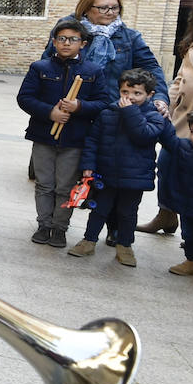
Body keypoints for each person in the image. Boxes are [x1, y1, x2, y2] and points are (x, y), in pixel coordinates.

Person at [41, 0, 169, 244]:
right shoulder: (70, 32)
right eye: (103, 8)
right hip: (75, 111)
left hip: (113, 114)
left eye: (114, 8)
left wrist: (159, 98)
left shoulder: (129, 37)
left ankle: (114, 228)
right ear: (87, 8)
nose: (110, 13)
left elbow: (152, 68)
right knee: (74, 173)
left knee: (112, 172)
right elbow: (48, 62)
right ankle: (53, 224)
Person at [17, 19, 109, 249]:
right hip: (43, 135)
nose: (66, 43)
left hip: (75, 139)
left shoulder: (93, 71)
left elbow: (103, 102)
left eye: (73, 39)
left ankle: (60, 228)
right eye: (62, 39)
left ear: (83, 44)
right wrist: (50, 113)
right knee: (44, 184)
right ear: (54, 41)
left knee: (65, 187)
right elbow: (25, 98)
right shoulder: (40, 68)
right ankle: (43, 224)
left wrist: (79, 107)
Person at [71, 69, 168, 266]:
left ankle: (125, 246)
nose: (130, 97)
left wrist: (129, 112)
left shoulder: (155, 116)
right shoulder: (107, 113)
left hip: (135, 178)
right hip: (105, 174)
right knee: (98, 209)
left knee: (127, 213)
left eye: (137, 93)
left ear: (149, 95)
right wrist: (88, 165)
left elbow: (143, 134)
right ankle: (88, 240)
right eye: (125, 92)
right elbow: (93, 140)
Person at [142, 0, 193, 244]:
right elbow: (179, 79)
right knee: (167, 167)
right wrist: (167, 102)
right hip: (181, 120)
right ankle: (166, 214)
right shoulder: (192, 46)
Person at [158, 108, 193, 284]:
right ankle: (192, 261)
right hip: (188, 205)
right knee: (189, 235)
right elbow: (169, 140)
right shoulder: (184, 147)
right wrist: (165, 120)